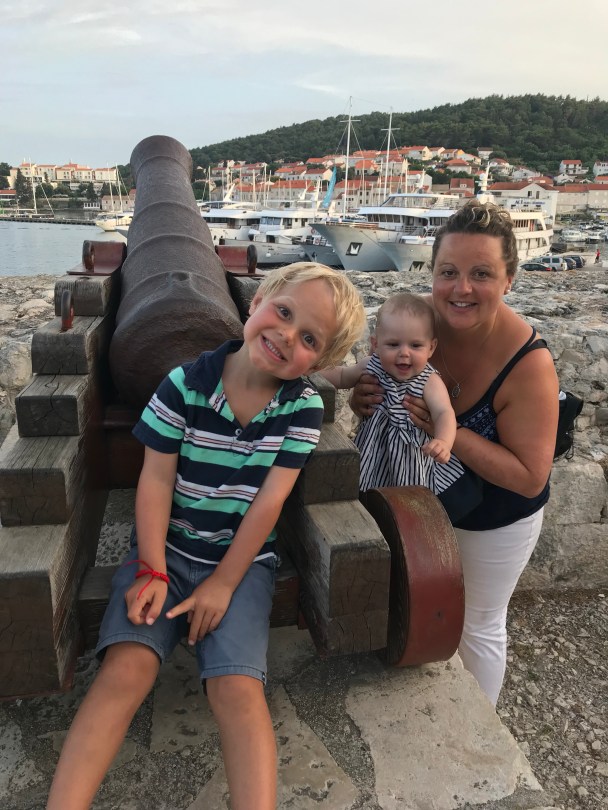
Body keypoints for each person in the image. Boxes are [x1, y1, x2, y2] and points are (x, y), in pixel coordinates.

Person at [47, 262, 366, 810]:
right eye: (283, 312)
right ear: (257, 301)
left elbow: (268, 503)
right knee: (126, 671)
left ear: (320, 362)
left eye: (309, 338)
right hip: (165, 549)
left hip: (240, 565)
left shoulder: (302, 409)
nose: (287, 335)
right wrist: (152, 568)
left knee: (237, 690)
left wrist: (223, 582)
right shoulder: (184, 385)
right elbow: (155, 480)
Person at [350, 201, 559, 706]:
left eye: (481, 274)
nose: (461, 289)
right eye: (448, 272)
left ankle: (482, 727)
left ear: (509, 280)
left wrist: (449, 432)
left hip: (496, 516)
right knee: (419, 607)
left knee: (478, 624)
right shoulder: (417, 324)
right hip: (422, 500)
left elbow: (530, 477)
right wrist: (363, 398)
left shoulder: (529, 366)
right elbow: (373, 377)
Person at [321, 293, 480, 521]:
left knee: (409, 507)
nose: (404, 353)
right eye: (393, 344)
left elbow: (444, 412)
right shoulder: (371, 365)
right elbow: (342, 376)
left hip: (410, 458)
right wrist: (309, 371)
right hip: (373, 450)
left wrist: (444, 442)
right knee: (364, 493)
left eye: (416, 345)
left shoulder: (429, 380)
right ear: (375, 344)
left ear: (431, 347)